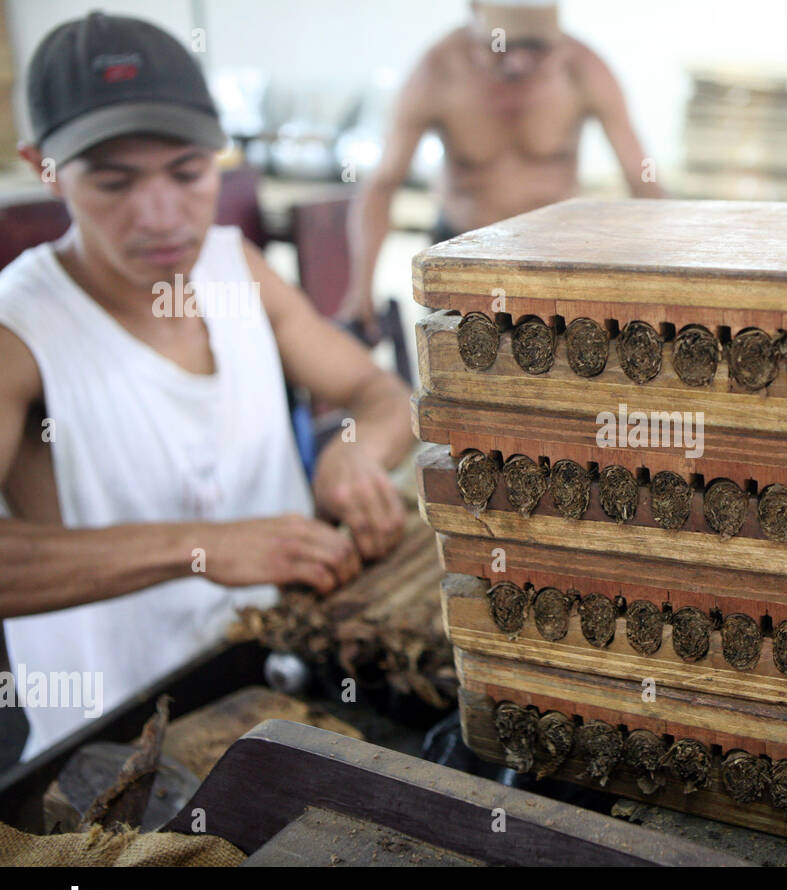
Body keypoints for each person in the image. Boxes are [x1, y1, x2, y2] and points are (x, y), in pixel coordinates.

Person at [0, 13, 413, 760]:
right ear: (45, 167)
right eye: (113, 182)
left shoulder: (235, 269)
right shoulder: (19, 330)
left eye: (188, 172)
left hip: (282, 680)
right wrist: (199, 548)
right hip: (119, 745)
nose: (160, 216)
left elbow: (381, 396)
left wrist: (356, 453)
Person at [341, 0, 665, 330]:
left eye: (536, 49)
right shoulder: (438, 72)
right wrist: (361, 289)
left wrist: (664, 277)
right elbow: (382, 185)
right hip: (464, 264)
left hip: (557, 264)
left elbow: (641, 175)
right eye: (503, 47)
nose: (520, 64)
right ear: (474, 17)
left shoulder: (582, 69)